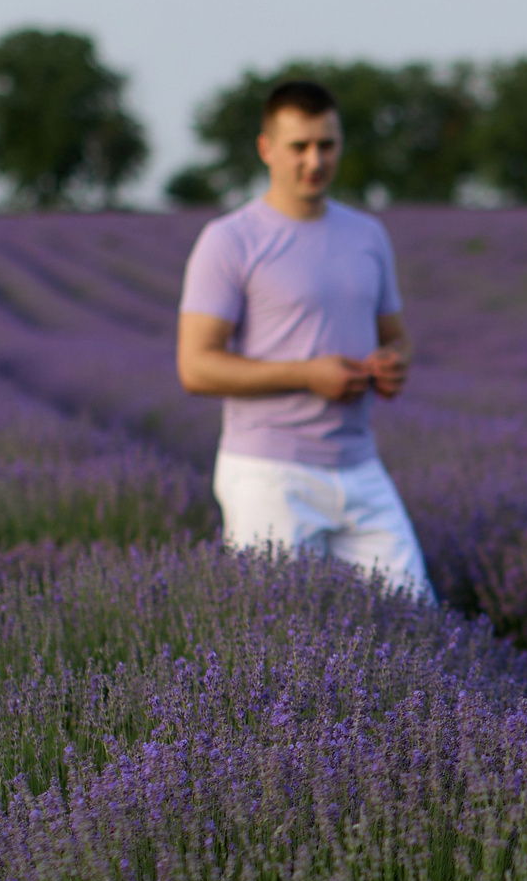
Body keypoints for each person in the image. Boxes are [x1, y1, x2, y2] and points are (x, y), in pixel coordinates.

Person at [176, 79, 431, 597]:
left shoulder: (367, 235)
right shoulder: (230, 240)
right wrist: (307, 375)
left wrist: (393, 364)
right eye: (299, 147)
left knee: (416, 620)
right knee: (273, 639)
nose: (315, 161)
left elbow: (397, 337)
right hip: (269, 473)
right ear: (266, 148)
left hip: (359, 466)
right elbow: (195, 367)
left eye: (327, 145)